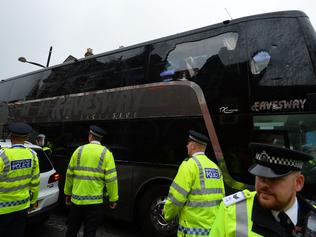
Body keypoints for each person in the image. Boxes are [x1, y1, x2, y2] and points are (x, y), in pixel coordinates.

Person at [209, 143, 316, 237]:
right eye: (260, 177)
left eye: (274, 179)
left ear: (298, 183)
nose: (264, 185)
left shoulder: (312, 216)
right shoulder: (231, 212)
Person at [163, 130, 225, 236]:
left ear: (193, 146)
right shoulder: (215, 167)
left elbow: (177, 196)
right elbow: (221, 197)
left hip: (192, 230)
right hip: (213, 230)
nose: (187, 146)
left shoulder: (189, 165)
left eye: (188, 143)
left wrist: (167, 213)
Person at [64, 125, 118, 237]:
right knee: (90, 232)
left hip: (76, 200)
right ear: (100, 138)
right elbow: (111, 180)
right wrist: (113, 199)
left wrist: (68, 193)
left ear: (90, 136)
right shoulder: (107, 154)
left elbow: (69, 175)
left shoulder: (78, 151)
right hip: (95, 203)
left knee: (72, 229)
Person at [0, 122, 40, 237]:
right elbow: (35, 183)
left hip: (2, 209)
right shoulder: (32, 155)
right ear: (27, 138)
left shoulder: (2, 155)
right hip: (22, 206)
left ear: (11, 136)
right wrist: (33, 202)